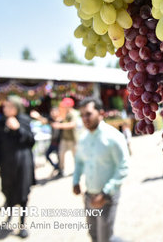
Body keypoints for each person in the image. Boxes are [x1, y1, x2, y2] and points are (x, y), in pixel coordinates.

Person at [73, 97, 129, 242]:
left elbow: (123, 167)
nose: (85, 118)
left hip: (107, 198)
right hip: (89, 196)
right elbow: (79, 161)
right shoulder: (84, 138)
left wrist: (104, 194)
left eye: (88, 114)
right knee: (93, 236)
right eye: (82, 115)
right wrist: (75, 180)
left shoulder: (114, 136)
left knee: (105, 238)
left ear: (101, 113)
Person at [0, 95, 35, 238]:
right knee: (7, 192)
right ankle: (8, 217)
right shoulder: (0, 123)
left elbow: (31, 141)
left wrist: (18, 128)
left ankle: (22, 224)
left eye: (8, 106)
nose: (5, 109)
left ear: (16, 107)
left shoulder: (24, 120)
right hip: (6, 164)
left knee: (22, 195)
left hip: (23, 164)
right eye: (4, 106)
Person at [30, 107, 62, 176]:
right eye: (52, 112)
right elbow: (44, 121)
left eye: (54, 112)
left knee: (60, 157)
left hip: (60, 142)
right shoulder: (51, 120)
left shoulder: (61, 120)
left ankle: (59, 169)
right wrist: (38, 116)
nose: (53, 113)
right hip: (53, 142)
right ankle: (56, 167)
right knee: (47, 155)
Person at [53, 97, 78, 176]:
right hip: (64, 138)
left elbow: (72, 124)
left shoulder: (74, 113)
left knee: (75, 156)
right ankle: (61, 169)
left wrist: (60, 125)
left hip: (73, 139)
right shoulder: (64, 113)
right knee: (61, 154)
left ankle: (77, 171)